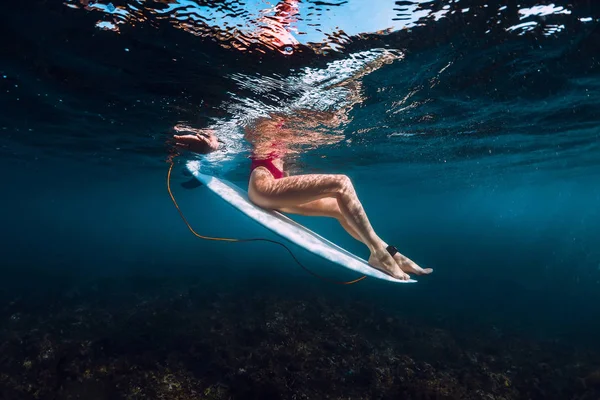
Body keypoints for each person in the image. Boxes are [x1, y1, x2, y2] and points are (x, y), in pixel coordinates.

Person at [173, 113, 432, 281]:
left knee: (340, 207)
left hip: (275, 188)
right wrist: (209, 146)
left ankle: (390, 251)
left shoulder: (288, 126)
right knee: (341, 183)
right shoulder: (256, 117)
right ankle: (378, 252)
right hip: (262, 187)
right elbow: (223, 141)